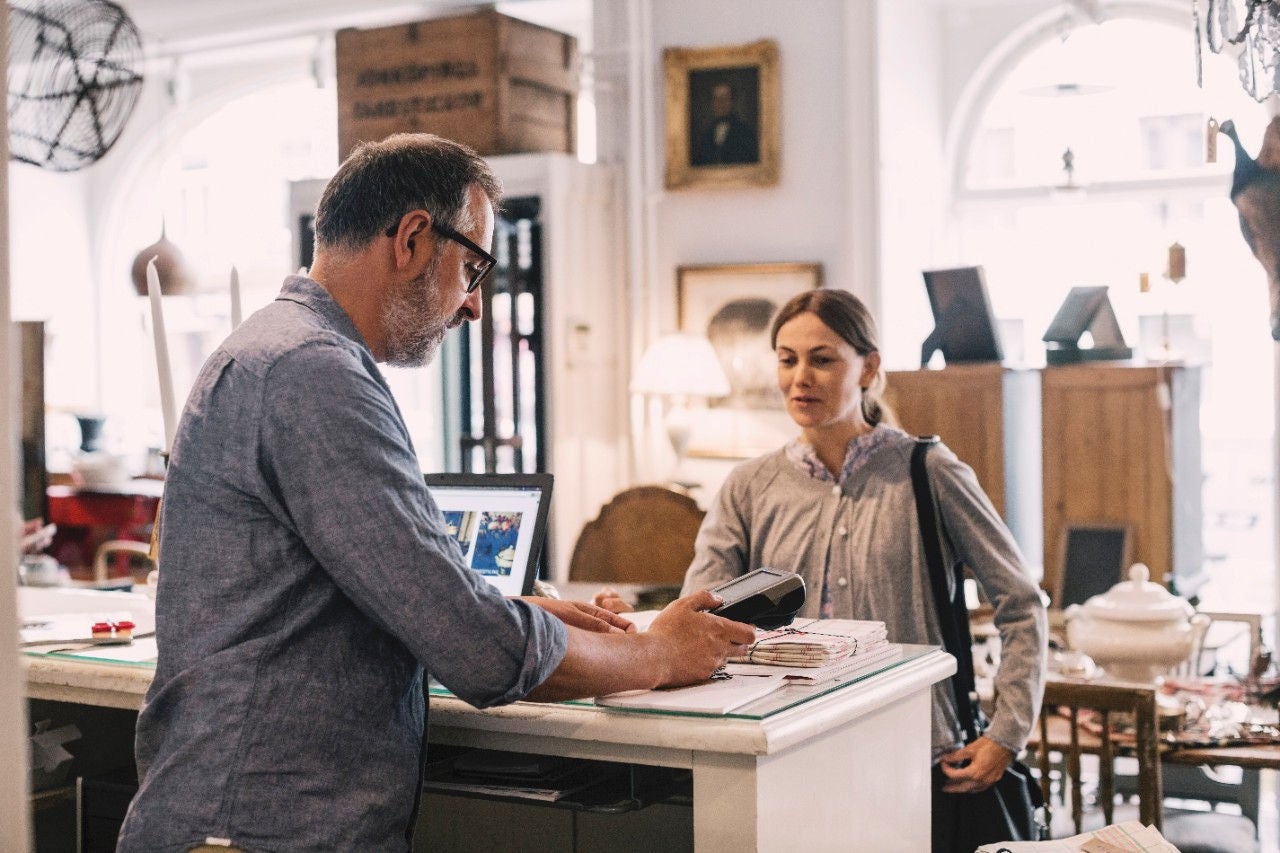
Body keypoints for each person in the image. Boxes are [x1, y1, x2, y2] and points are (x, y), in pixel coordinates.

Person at [117, 133, 753, 852]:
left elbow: (359, 597)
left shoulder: (276, 349)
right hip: (261, 828)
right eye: (473, 269)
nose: (475, 306)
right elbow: (474, 648)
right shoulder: (314, 372)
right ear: (414, 238)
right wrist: (659, 653)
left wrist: (518, 608)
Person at [598, 288, 1047, 853]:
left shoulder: (930, 472)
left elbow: (1021, 601)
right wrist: (635, 625)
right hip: (786, 749)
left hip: (916, 754)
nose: (799, 377)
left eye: (821, 358)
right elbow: (698, 612)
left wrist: (1007, 733)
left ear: (869, 367)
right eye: (787, 360)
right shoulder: (749, 485)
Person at [691, 81, 759, 166]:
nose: (720, 103)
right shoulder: (707, 134)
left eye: (725, 98)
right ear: (712, 103)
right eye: (716, 98)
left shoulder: (745, 132)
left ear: (732, 102)